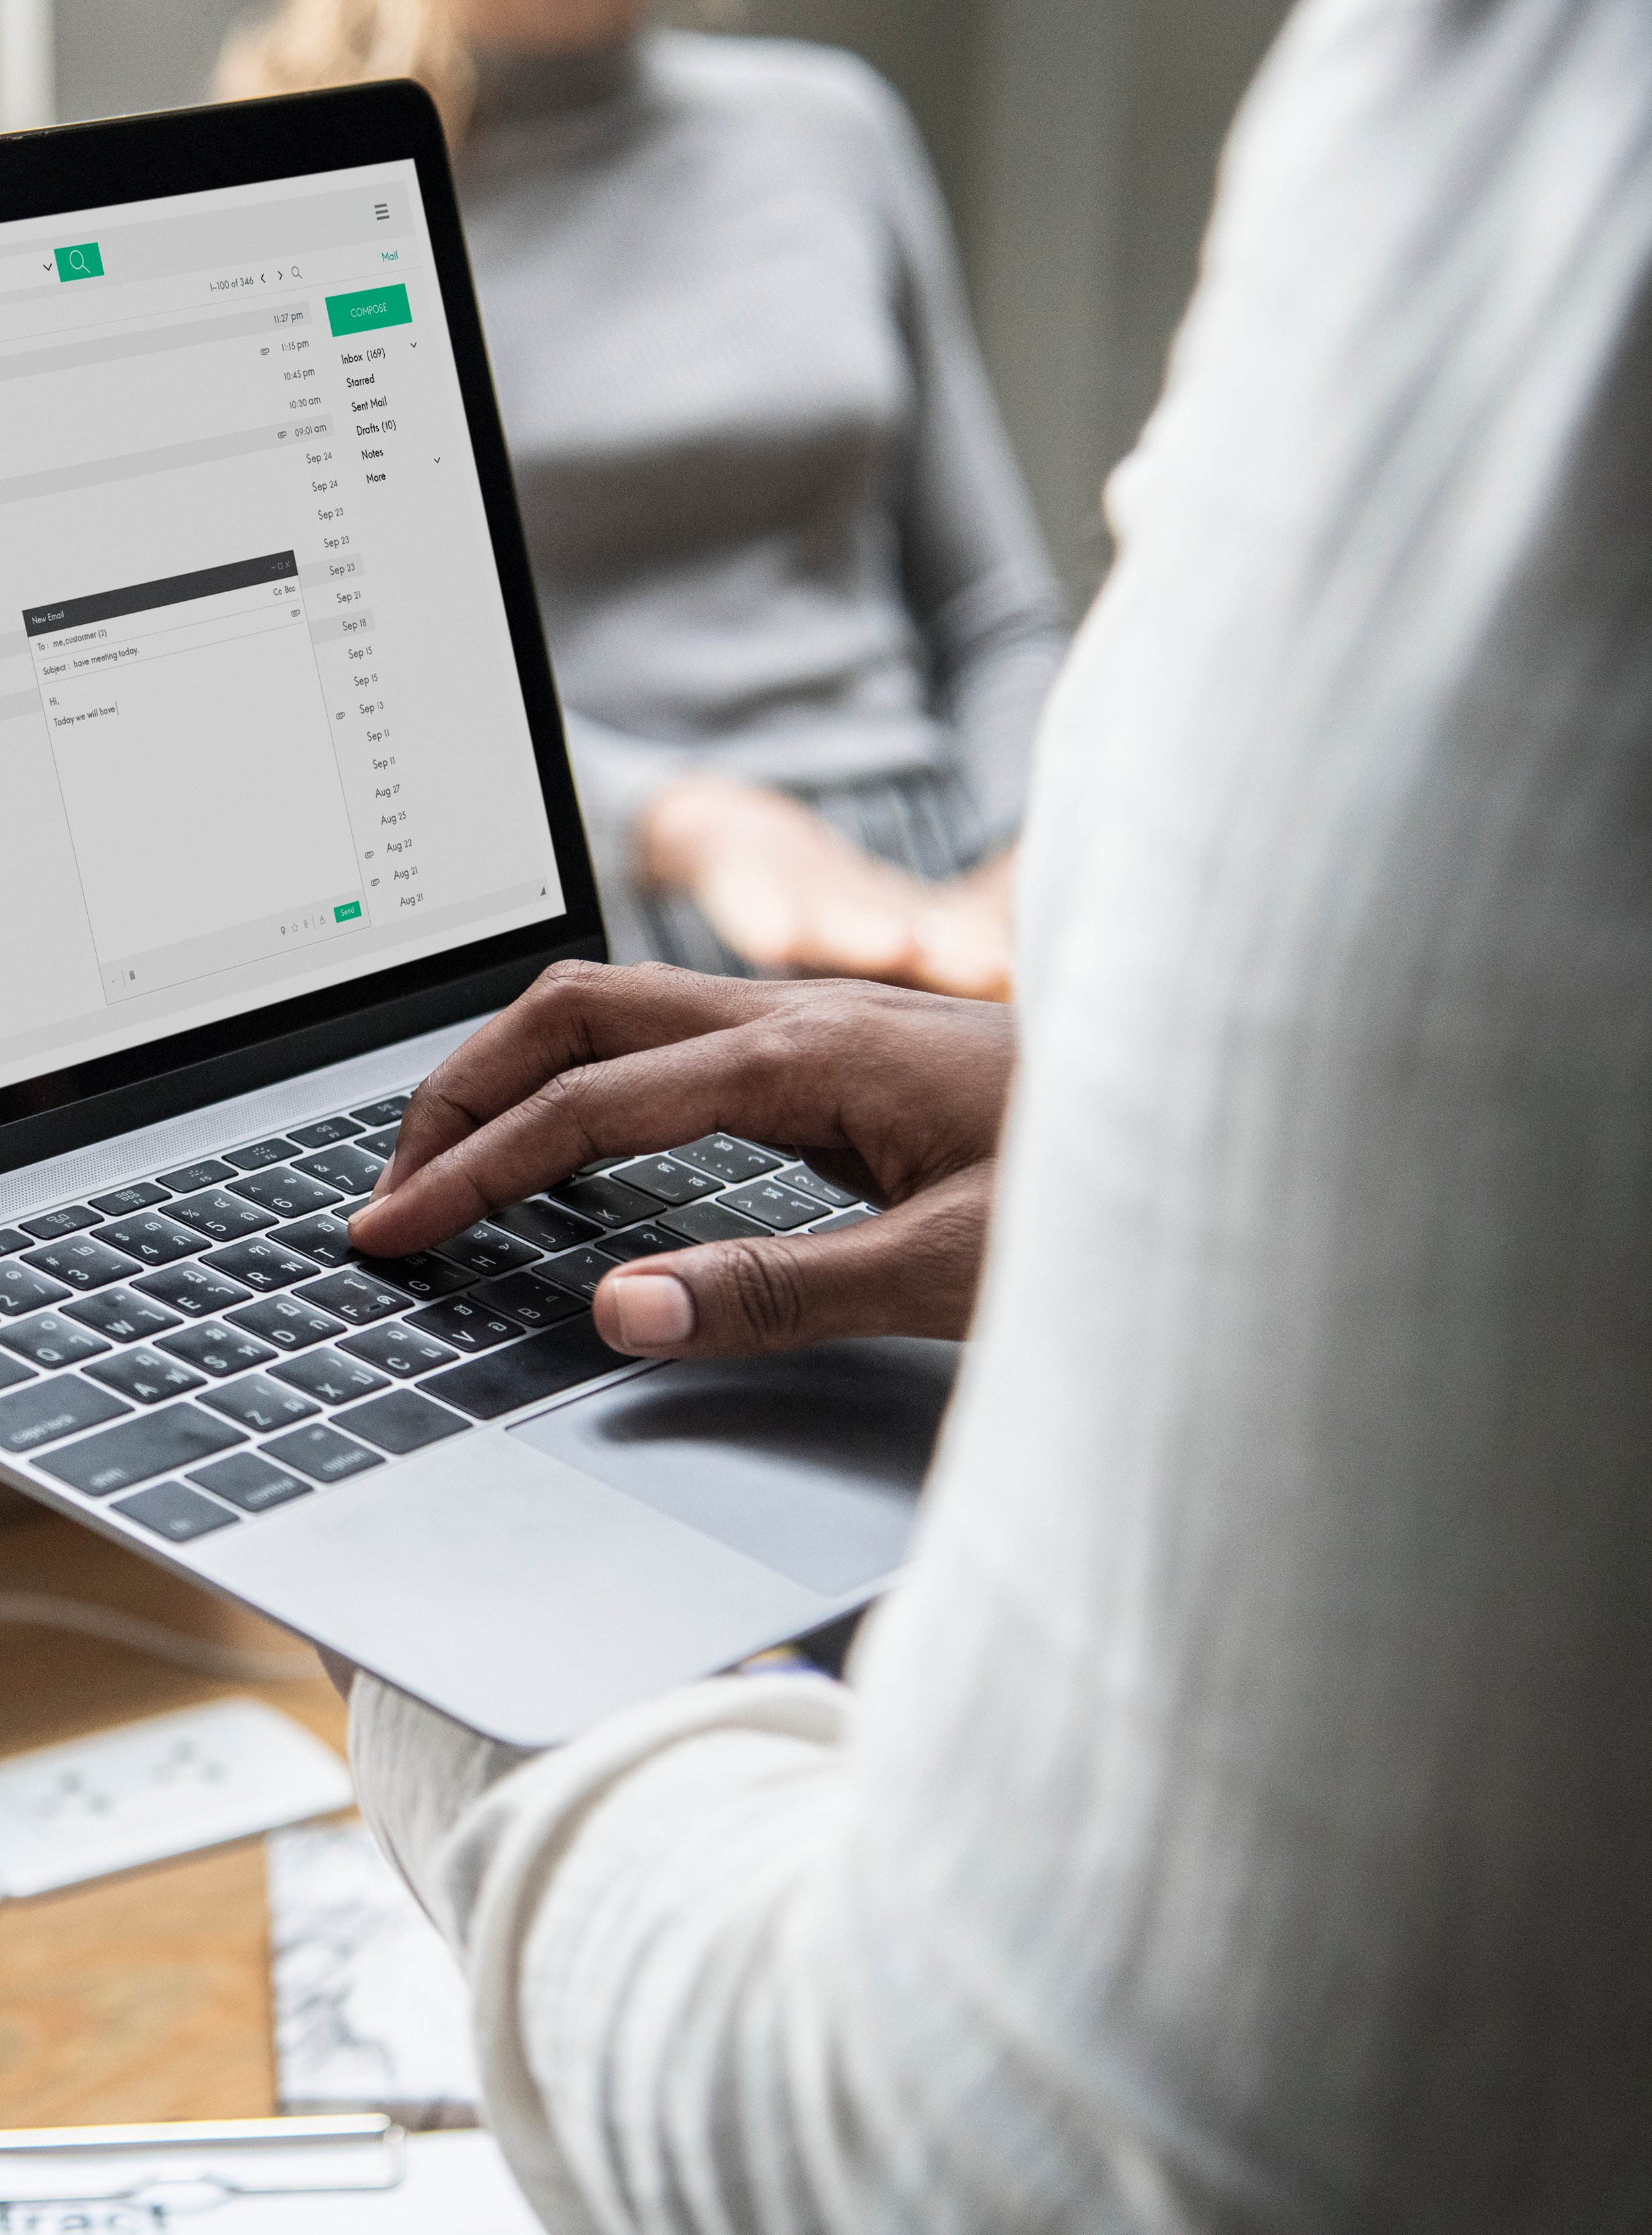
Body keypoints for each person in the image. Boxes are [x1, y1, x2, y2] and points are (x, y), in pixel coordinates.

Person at [326, 0, 1652, 2223]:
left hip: (967, 894)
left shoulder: (1533, 159)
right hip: (674, 917)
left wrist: (415, 1611)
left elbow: (999, 2154)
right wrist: (1127, 1105)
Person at [219, 0, 1067, 996]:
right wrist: (683, 826)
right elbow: (363, 688)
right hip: (603, 926)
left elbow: (997, 613)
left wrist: (1027, 873)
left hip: (942, 893)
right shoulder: (314, 180)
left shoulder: (835, 125)